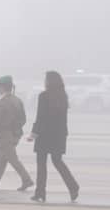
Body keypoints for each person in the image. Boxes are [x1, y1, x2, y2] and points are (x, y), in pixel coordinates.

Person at [28, 70, 80, 203]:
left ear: (49, 82)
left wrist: (33, 134)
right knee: (57, 161)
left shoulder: (44, 96)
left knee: (41, 164)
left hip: (44, 134)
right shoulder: (63, 96)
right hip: (59, 135)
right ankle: (73, 186)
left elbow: (40, 117)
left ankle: (40, 192)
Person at [0, 75, 34, 191]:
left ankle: (27, 179)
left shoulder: (1, 103)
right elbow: (23, 119)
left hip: (5, 134)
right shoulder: (18, 101)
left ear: (3, 88)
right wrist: (16, 129)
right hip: (16, 134)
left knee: (12, 158)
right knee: (2, 157)